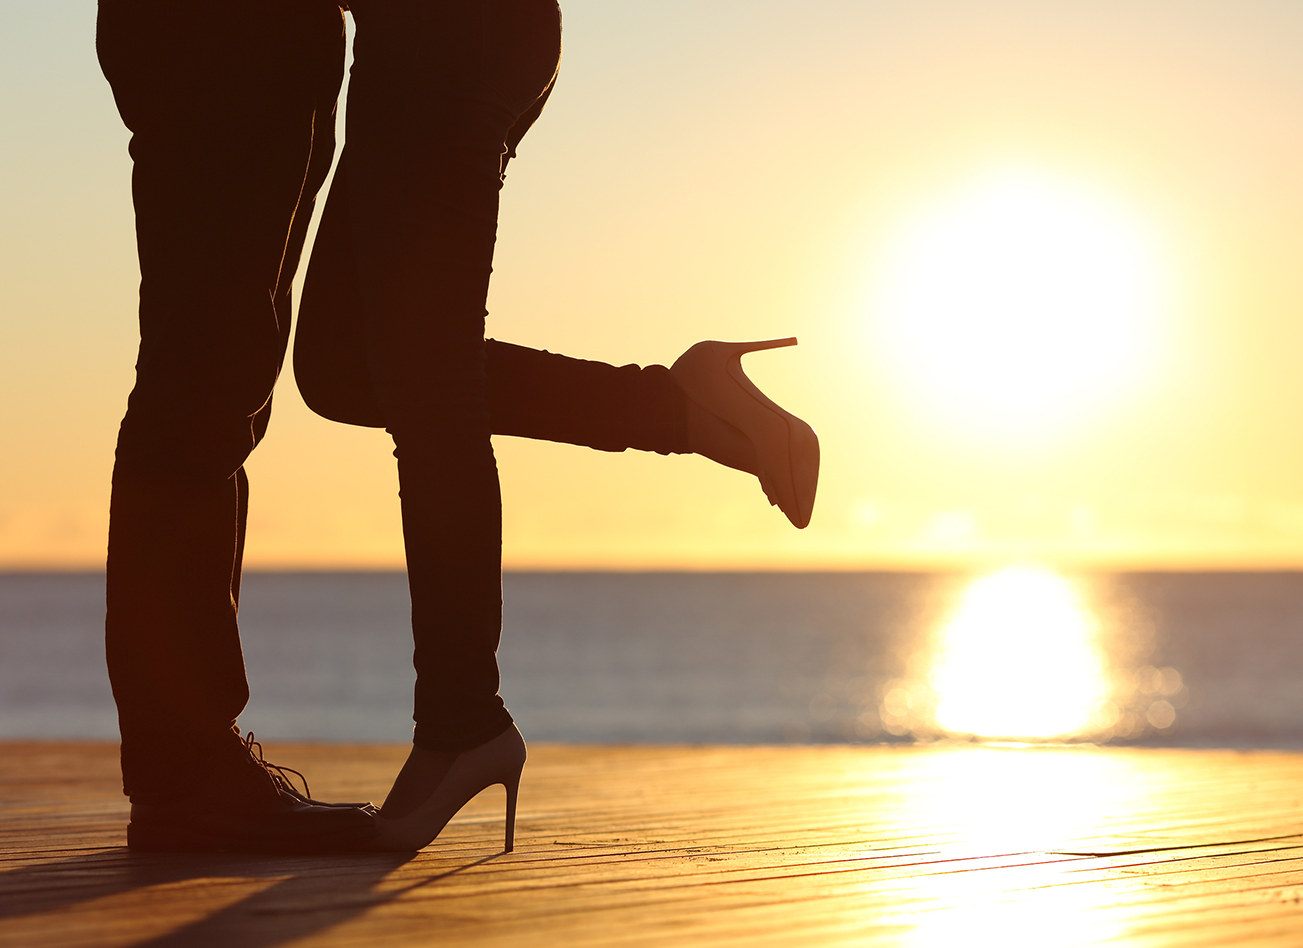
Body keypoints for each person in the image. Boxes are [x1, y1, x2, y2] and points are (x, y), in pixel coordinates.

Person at [97, 0, 818, 855]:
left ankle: (454, 721)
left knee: (390, 377)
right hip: (325, 41)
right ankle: (682, 407)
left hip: (419, 32)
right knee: (343, 366)